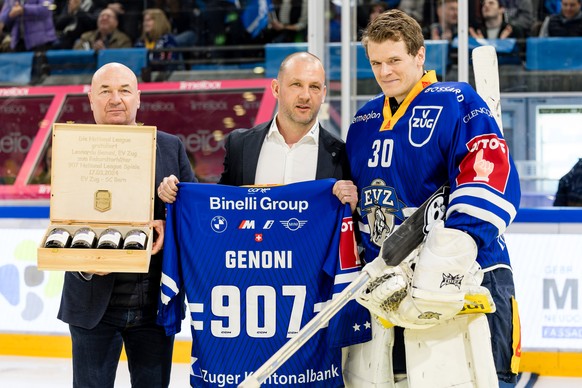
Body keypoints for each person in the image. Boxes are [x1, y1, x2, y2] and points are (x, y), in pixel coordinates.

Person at [342, 9, 521, 387]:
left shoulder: (457, 100)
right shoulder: (361, 123)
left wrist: (452, 248)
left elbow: (489, 168)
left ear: (419, 56)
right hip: (393, 288)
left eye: (394, 60)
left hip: (469, 277)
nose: (384, 71)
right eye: (376, 62)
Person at [57, 62, 197, 388]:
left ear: (138, 98)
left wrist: (172, 208)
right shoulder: (73, 149)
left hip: (152, 306)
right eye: (105, 91)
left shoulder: (170, 146)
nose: (115, 99)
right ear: (90, 99)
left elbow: (191, 218)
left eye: (124, 90)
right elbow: (64, 218)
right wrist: (89, 262)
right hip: (92, 305)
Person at [158, 51, 357, 209]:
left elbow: (351, 224)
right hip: (252, 258)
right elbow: (220, 206)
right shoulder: (241, 145)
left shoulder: (341, 154)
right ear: (276, 89)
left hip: (313, 260)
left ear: (323, 94)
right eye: (296, 84)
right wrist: (177, 192)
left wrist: (354, 205)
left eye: (314, 87)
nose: (305, 95)